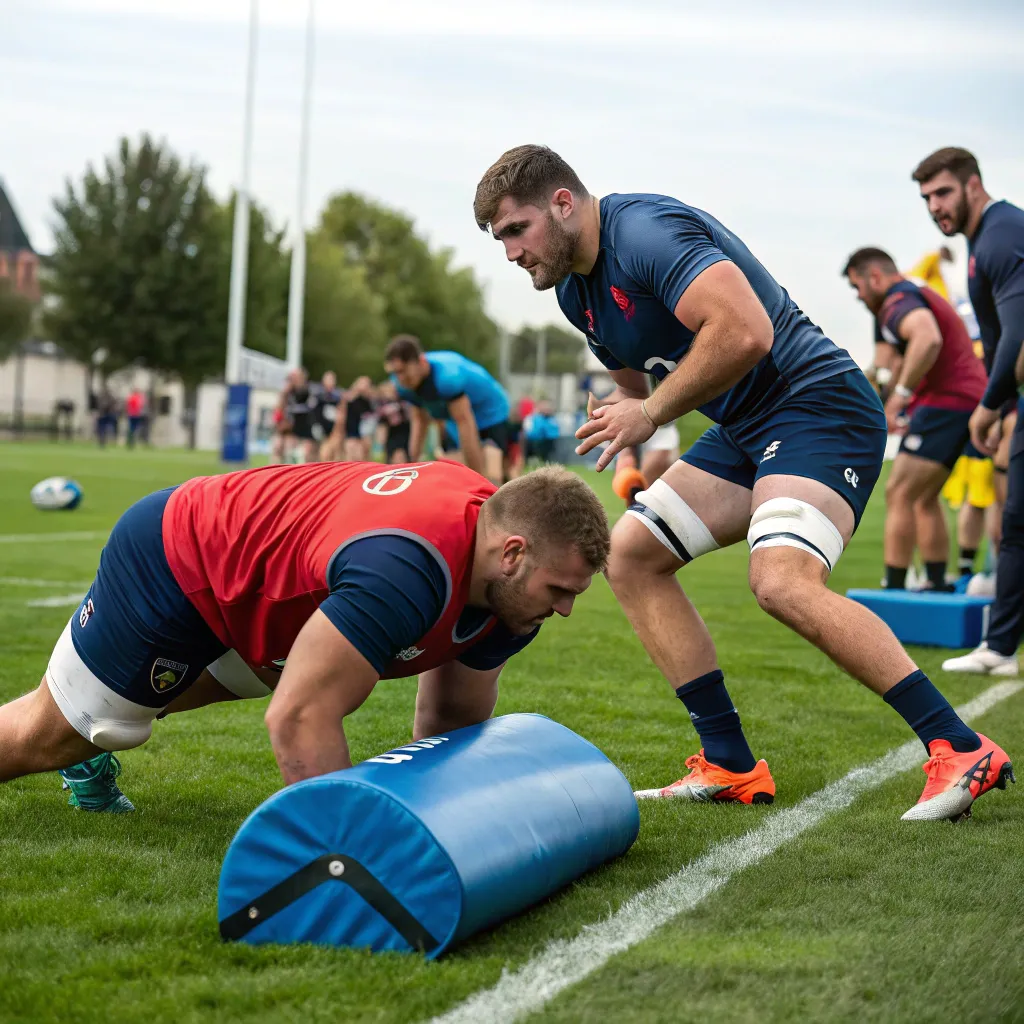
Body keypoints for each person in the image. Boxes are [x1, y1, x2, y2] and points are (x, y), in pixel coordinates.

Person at [473, 144, 1013, 821]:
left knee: (780, 581)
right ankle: (729, 762)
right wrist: (626, 418)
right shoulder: (574, 291)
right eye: (499, 240)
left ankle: (958, 747)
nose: (511, 252)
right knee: (633, 555)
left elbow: (747, 331)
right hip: (745, 426)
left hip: (816, 404)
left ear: (562, 202)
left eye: (515, 230)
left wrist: (649, 411)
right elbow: (633, 382)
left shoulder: (644, 234)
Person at [0, 462, 608, 812]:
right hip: (181, 559)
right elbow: (298, 719)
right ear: (513, 554)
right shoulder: (406, 569)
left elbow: (447, 726)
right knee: (53, 734)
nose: (565, 610)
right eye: (559, 590)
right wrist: (344, 854)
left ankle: (104, 722)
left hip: (271, 598)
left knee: (266, 676)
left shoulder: (508, 587)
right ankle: (85, 745)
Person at [909, 147, 1024, 676]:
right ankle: (999, 648)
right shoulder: (981, 242)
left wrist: (989, 405)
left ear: (973, 185)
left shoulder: (1000, 235)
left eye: (944, 192)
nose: (935, 206)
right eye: (927, 197)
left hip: (1005, 396)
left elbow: (1017, 337)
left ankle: (999, 647)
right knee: (1016, 520)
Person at [843, 247, 987, 591]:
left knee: (899, 492)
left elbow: (927, 338)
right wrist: (880, 397)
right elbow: (884, 366)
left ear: (874, 277)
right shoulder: (893, 308)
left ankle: (894, 588)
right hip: (960, 400)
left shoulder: (898, 299)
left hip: (947, 402)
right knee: (923, 496)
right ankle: (936, 582)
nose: (858, 296)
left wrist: (900, 399)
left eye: (857, 286)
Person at [385, 335, 511, 485]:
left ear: (421, 362)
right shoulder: (402, 383)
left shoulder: (447, 377)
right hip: (454, 415)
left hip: (490, 410)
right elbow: (419, 421)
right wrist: (409, 467)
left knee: (494, 467)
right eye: (396, 372)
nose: (400, 378)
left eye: (403, 371)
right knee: (457, 463)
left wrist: (479, 483)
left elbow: (465, 422)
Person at [376, 380, 412, 463]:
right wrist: (380, 442)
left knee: (406, 456)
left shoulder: (404, 400)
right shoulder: (382, 404)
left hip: (406, 431)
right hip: (392, 434)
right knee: (394, 456)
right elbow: (382, 423)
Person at [311, 370, 344, 461]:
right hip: (321, 427)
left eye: (332, 379)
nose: (331, 382)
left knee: (335, 450)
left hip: (334, 428)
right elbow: (314, 413)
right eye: (329, 379)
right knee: (323, 451)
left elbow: (341, 414)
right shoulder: (318, 395)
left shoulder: (338, 396)